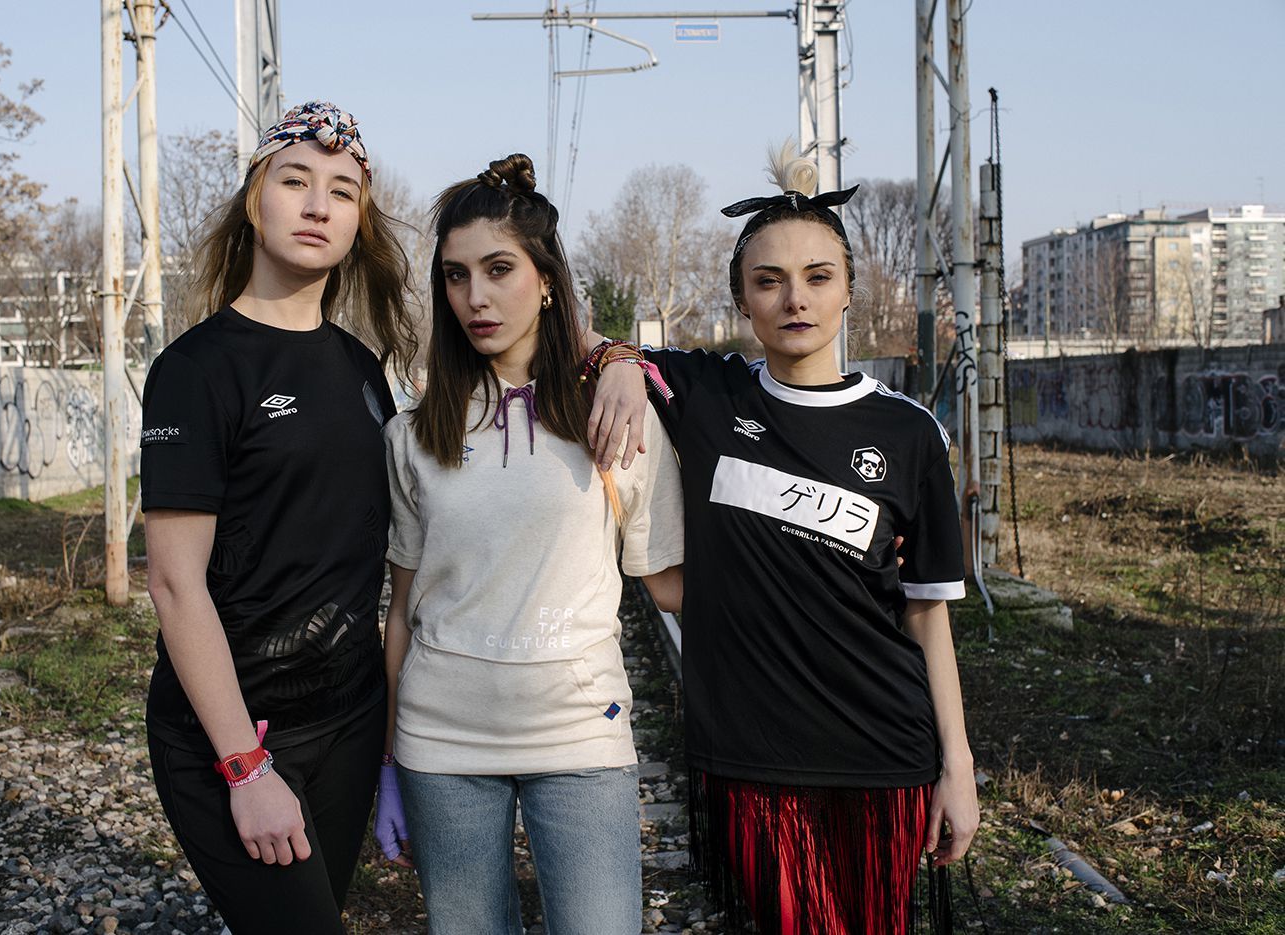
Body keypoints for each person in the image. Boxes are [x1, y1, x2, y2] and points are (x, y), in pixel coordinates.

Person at [589, 142, 979, 935]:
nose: (795, 298)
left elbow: (926, 613)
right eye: (768, 280)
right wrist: (620, 357)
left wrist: (959, 766)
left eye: (817, 276)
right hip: (752, 756)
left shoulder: (909, 434)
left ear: (849, 291)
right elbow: (565, 328)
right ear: (742, 299)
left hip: (883, 751)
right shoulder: (707, 395)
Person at [373, 154, 685, 935]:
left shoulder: (614, 415)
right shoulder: (413, 435)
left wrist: (826, 580)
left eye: (499, 269)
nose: (475, 297)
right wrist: (388, 761)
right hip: (441, 742)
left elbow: (672, 584)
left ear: (546, 280)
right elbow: (402, 611)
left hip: (580, 734)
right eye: (455, 276)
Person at [139, 101, 418, 934]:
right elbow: (174, 583)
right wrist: (245, 766)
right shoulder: (196, 370)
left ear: (359, 224)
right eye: (295, 181)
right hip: (235, 733)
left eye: (342, 191)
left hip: (347, 723)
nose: (317, 205)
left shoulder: (363, 369)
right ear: (255, 201)